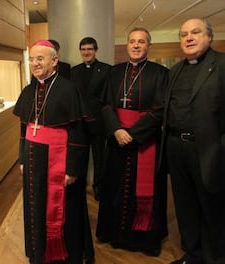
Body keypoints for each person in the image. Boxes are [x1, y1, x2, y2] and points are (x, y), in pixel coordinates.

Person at [13, 40, 94, 263]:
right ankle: (39, 253)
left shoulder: (69, 89)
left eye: (40, 58)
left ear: (54, 61)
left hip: (60, 161)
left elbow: (78, 134)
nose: (35, 63)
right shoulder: (28, 91)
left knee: (65, 209)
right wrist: (22, 158)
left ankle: (64, 255)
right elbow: (23, 129)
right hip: (32, 160)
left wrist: (72, 169)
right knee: (34, 207)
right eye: (31, 59)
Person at [95, 27, 169, 256]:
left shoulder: (160, 73)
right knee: (114, 188)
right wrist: (116, 129)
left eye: (141, 42)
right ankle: (113, 234)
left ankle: (144, 240)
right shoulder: (114, 72)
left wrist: (134, 133)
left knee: (145, 192)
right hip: (117, 141)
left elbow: (160, 110)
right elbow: (104, 104)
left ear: (149, 46)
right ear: (126, 45)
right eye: (132, 41)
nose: (136, 45)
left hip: (145, 142)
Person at [162, 18, 225, 264]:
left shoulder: (221, 64)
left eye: (195, 32)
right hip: (176, 147)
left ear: (209, 37)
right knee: (185, 206)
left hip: (209, 149)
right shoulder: (175, 71)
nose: (188, 38)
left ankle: (217, 257)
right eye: (184, 34)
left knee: (212, 206)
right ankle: (193, 254)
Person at [70, 37, 112, 201]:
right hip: (79, 124)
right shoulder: (74, 71)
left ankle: (99, 188)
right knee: (80, 157)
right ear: (80, 51)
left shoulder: (107, 70)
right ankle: (79, 187)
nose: (86, 52)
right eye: (83, 49)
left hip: (99, 123)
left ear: (95, 50)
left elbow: (108, 97)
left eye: (89, 49)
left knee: (99, 159)